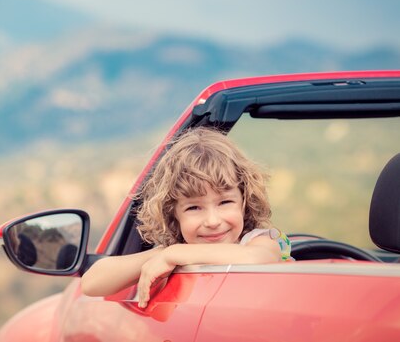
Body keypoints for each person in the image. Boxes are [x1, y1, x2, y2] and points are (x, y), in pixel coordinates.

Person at [81, 127, 291, 308]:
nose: (212, 221)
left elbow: (257, 259)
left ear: (245, 202)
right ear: (173, 213)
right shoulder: (173, 252)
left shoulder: (260, 240)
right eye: (194, 208)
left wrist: (175, 254)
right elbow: (91, 283)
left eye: (225, 202)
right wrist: (163, 253)